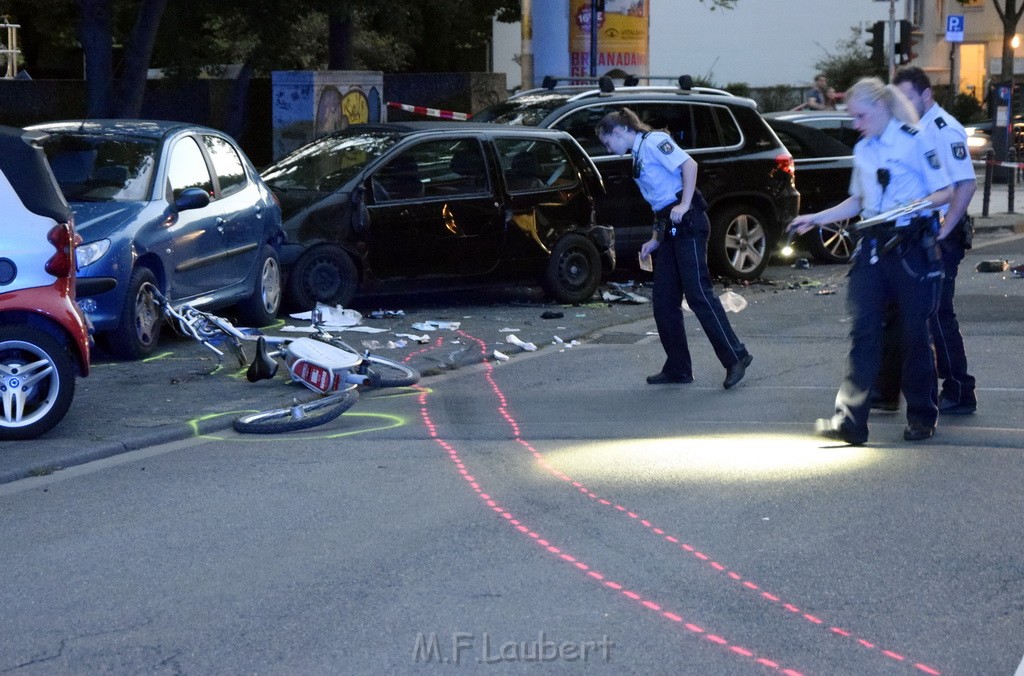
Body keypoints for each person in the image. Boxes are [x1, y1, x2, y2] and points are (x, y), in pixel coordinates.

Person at [788, 77, 953, 444]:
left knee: (913, 334)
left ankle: (923, 415)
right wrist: (815, 218)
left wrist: (916, 205)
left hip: (911, 247)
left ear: (880, 109)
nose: (856, 124)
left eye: (860, 115)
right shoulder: (864, 150)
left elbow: (946, 191)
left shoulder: (916, 140)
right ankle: (850, 422)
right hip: (874, 247)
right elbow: (858, 202)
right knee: (863, 334)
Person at [595, 108, 753, 389]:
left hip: (688, 220)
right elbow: (659, 200)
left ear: (619, 131)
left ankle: (736, 356)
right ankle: (678, 367)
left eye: (608, 142)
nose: (609, 148)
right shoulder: (638, 152)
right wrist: (655, 238)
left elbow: (689, 166)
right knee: (664, 301)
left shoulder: (654, 142)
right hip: (670, 224)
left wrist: (684, 204)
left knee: (698, 294)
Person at [871, 66, 978, 415]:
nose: (901, 104)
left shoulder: (943, 130)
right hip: (914, 234)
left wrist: (945, 230)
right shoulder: (912, 128)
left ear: (926, 94)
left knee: (935, 314)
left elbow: (965, 183)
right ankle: (887, 390)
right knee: (893, 310)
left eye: (906, 97)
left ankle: (960, 389)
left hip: (939, 235)